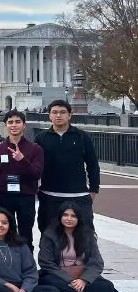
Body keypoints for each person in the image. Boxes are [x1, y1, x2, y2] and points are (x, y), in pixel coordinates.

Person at [37, 202, 124, 292]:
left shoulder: (88, 235)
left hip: (81, 275)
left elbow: (96, 262)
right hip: (58, 277)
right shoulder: (49, 235)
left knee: (107, 287)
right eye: (65, 215)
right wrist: (69, 280)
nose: (69, 219)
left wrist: (83, 280)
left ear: (79, 218)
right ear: (60, 217)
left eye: (73, 216)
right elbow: (46, 262)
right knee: (52, 287)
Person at [35, 99, 100, 233]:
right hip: (50, 195)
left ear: (69, 115)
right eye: (55, 112)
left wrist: (93, 190)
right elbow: (34, 166)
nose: (58, 116)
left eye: (62, 112)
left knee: (84, 235)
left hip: (78, 195)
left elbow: (93, 165)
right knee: (48, 235)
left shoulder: (82, 137)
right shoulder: (41, 138)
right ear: (50, 115)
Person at [0, 109, 44, 248]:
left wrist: (22, 160)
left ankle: (26, 264)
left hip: (26, 196)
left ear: (24, 125)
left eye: (18, 122)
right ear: (6, 125)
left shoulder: (35, 149)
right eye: (10, 122)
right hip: (4, 196)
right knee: (4, 232)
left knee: (25, 234)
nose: (14, 125)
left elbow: (37, 174)